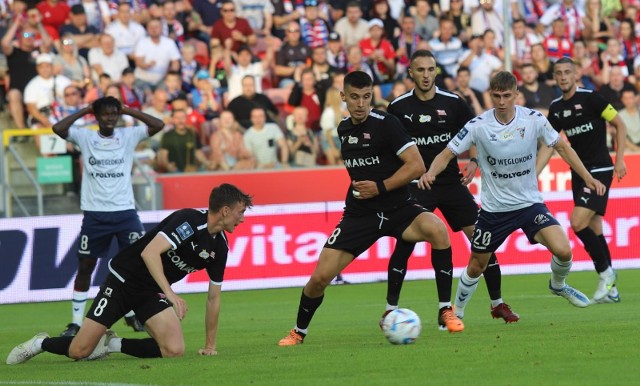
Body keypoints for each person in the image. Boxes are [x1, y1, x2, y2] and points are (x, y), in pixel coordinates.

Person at [278, 71, 452, 346]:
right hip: (361, 214)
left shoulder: (387, 124)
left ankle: (445, 310)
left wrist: (381, 187)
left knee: (438, 230)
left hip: (398, 207)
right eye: (355, 97)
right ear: (343, 97)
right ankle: (298, 332)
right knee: (320, 278)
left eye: (367, 97)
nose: (361, 103)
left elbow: (417, 166)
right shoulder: (344, 129)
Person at [424, 71, 606, 323]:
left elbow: (562, 147)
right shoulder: (478, 125)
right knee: (476, 265)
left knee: (564, 250)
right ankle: (457, 313)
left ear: (516, 95)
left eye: (506, 96)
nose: (501, 101)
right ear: (490, 95)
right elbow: (447, 153)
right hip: (494, 211)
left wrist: (587, 178)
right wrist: (430, 173)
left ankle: (557, 284)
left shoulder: (533, 119)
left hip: (530, 205)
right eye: (496, 96)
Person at [6, 184, 253, 364]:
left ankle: (111, 343)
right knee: (79, 351)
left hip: (148, 290)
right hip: (123, 279)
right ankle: (41, 343)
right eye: (240, 212)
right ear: (224, 210)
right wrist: (171, 294)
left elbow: (214, 298)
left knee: (174, 349)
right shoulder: (188, 221)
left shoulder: (219, 247)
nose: (242, 218)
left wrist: (210, 346)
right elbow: (149, 253)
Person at [385, 50, 518, 333]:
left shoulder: (454, 103)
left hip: (451, 184)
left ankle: (497, 302)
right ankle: (390, 310)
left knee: (483, 241)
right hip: (417, 186)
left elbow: (477, 132)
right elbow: (388, 149)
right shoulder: (397, 107)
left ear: (436, 71)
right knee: (405, 244)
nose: (425, 75)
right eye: (419, 70)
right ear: (411, 72)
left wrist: (473, 160)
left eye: (430, 69)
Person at [49, 96, 165, 337]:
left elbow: (158, 125)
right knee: (86, 266)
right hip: (95, 215)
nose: (110, 117)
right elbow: (58, 129)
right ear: (97, 116)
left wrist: (128, 110)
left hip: (125, 212)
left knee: (138, 264)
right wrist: (85, 110)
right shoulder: (85, 136)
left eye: (114, 113)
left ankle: (134, 314)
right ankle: (76, 323)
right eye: (105, 114)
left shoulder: (128, 135)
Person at [542, 57, 627, 303]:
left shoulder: (593, 98)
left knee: (577, 222)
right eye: (558, 73)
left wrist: (619, 160)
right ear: (555, 77)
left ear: (576, 74)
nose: (563, 77)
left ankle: (607, 274)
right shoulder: (556, 108)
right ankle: (611, 291)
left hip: (600, 169)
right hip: (579, 173)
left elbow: (619, 125)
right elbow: (550, 143)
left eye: (567, 72)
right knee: (594, 226)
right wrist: (534, 171)